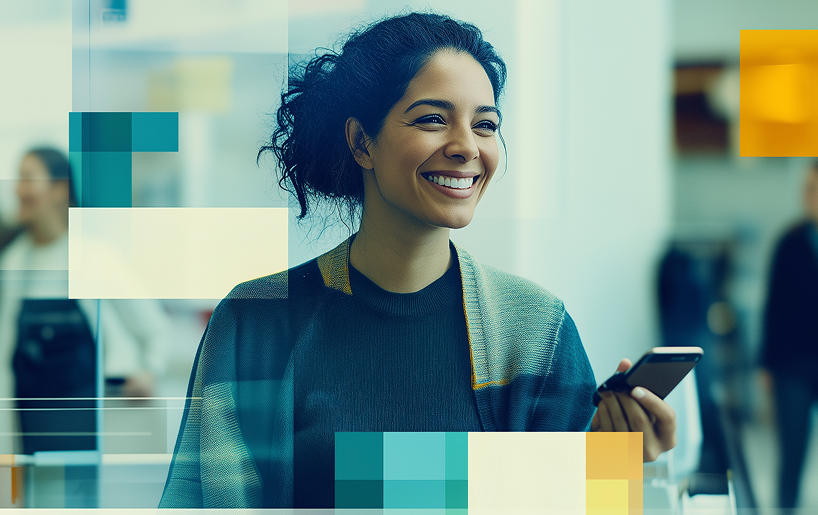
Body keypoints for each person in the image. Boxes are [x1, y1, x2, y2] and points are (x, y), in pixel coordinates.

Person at [159, 12, 676, 509]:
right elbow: (199, 504)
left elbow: (584, 507)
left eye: (485, 125)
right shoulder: (257, 321)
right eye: (433, 119)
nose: (466, 147)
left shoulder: (537, 331)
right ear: (362, 142)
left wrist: (617, 468)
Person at [0, 147, 170, 455]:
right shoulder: (13, 262)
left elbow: (153, 325)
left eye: (27, 178)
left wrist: (150, 369)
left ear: (59, 188)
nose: (18, 190)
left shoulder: (94, 257)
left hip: (90, 419)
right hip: (31, 423)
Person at [760, 160, 818, 510]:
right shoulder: (788, 243)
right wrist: (766, 365)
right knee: (792, 448)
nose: (809, 197)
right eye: (807, 190)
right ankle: (786, 506)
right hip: (792, 364)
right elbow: (774, 308)